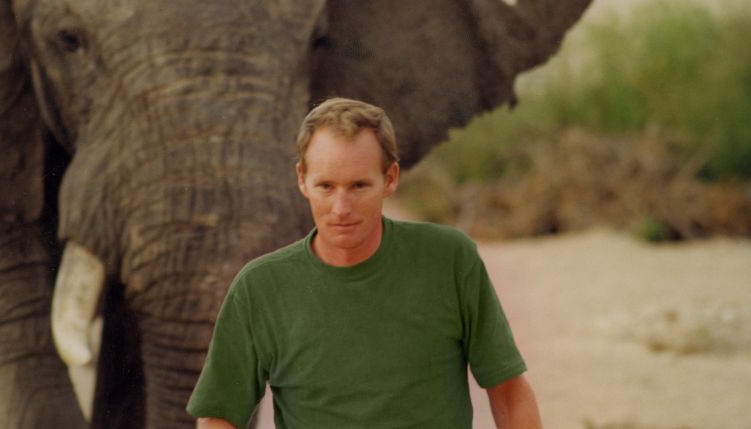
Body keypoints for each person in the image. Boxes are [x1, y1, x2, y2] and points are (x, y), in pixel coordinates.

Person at [187, 98, 541, 428]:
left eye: (358, 185)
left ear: (390, 178)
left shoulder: (450, 259)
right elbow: (218, 416)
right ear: (301, 180)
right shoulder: (259, 287)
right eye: (326, 186)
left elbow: (509, 393)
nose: (341, 208)